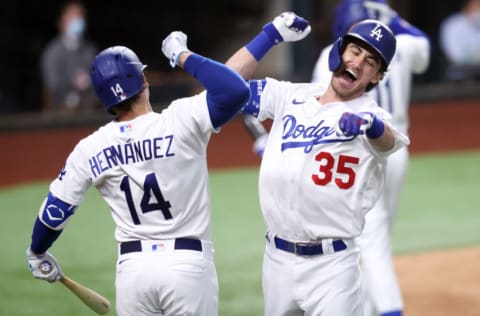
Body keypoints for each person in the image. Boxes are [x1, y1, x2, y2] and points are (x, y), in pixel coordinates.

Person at [26, 32, 250, 316]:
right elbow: (235, 91)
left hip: (134, 274)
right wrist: (181, 55)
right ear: (143, 80)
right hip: (187, 266)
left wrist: (37, 251)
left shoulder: (90, 147)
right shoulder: (180, 119)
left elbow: (56, 211)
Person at [226, 12, 409, 316]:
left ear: (377, 76)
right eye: (355, 51)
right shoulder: (290, 96)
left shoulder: (371, 116)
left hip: (332, 268)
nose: (358, 63)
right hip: (277, 261)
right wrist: (269, 36)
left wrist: (371, 126)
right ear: (340, 50)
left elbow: (387, 142)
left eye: (371, 62)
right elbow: (227, 85)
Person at [311, 1, 430, 316]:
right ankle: (362, 306)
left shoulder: (330, 56)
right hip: (397, 149)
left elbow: (316, 105)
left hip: (359, 156)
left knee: (371, 240)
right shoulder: (400, 46)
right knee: (377, 235)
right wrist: (396, 20)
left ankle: (389, 308)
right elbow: (425, 47)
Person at [40, 1, 98, 114]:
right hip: (62, 112)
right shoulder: (53, 52)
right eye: (73, 16)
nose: (77, 21)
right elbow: (53, 88)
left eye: (80, 16)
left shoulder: (90, 49)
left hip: (90, 111)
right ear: (61, 22)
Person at [439, 0, 480, 80]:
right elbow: (455, 55)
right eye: (477, 5)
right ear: (468, 5)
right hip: (460, 73)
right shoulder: (452, 24)